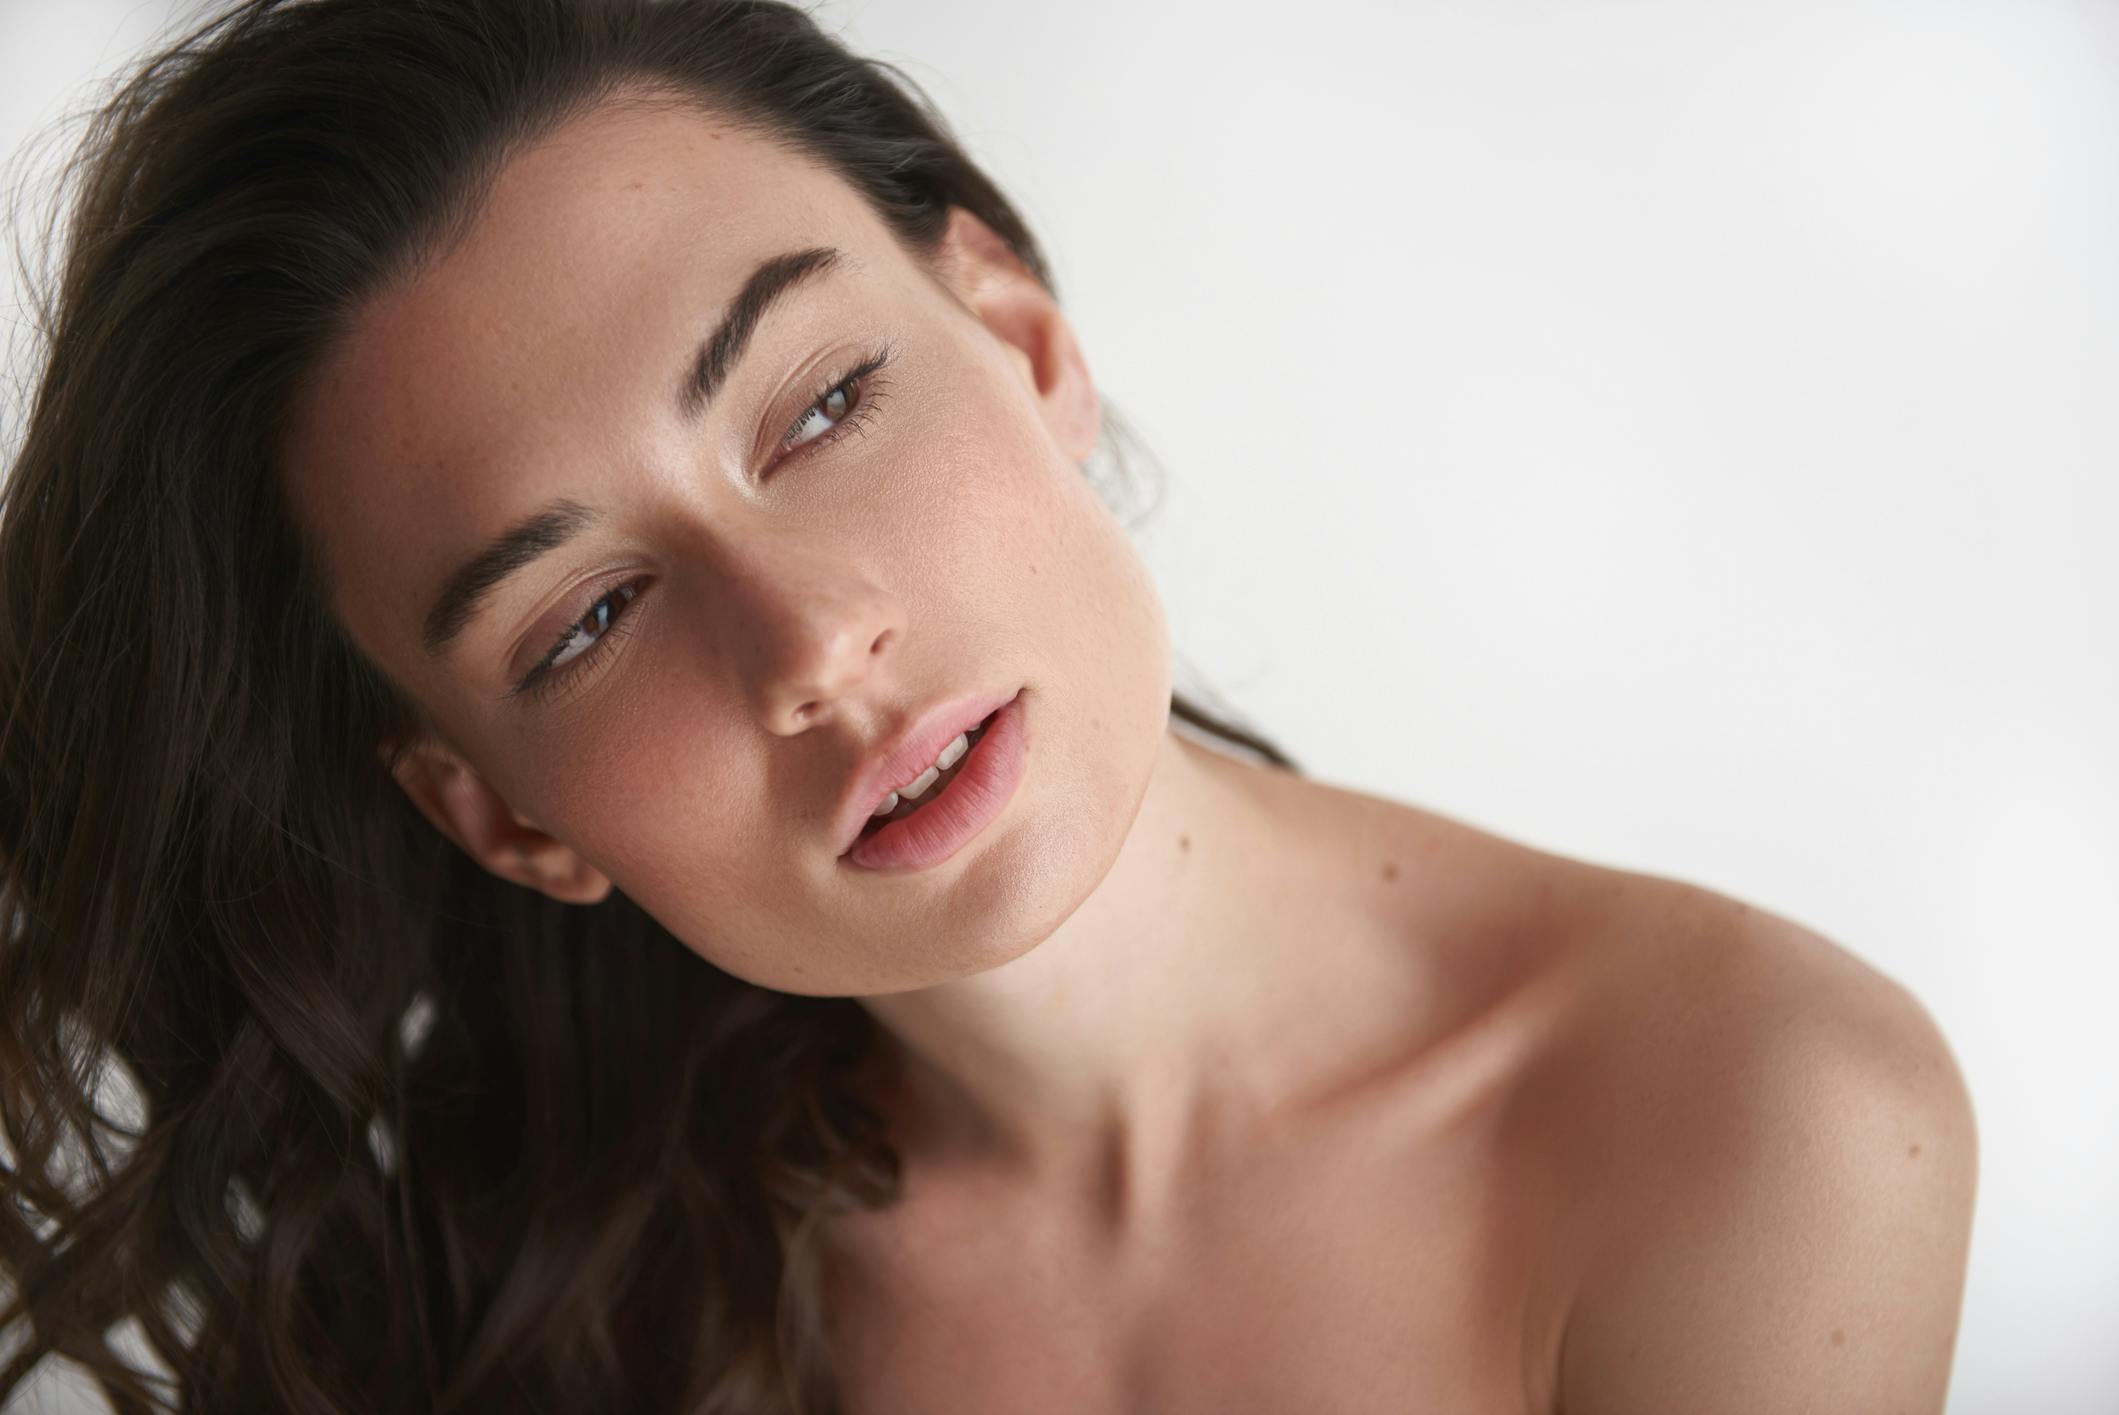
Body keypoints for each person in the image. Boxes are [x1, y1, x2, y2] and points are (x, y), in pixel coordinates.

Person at [0, 0, 1978, 1410]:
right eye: (590, 615)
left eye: (823, 404)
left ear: (1021, 338)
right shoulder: (541, 1295)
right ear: (503, 816)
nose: (808, 649)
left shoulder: (1754, 1124)